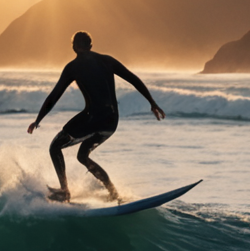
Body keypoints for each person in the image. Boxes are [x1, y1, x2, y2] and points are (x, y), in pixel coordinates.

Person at [26, 31, 165, 202]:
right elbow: (133, 78)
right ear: (91, 46)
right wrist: (152, 102)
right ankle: (113, 193)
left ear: (74, 47)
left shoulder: (73, 67)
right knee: (82, 156)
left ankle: (64, 191)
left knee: (55, 147)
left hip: (92, 118)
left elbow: (54, 96)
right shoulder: (108, 61)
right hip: (111, 121)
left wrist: (38, 120)